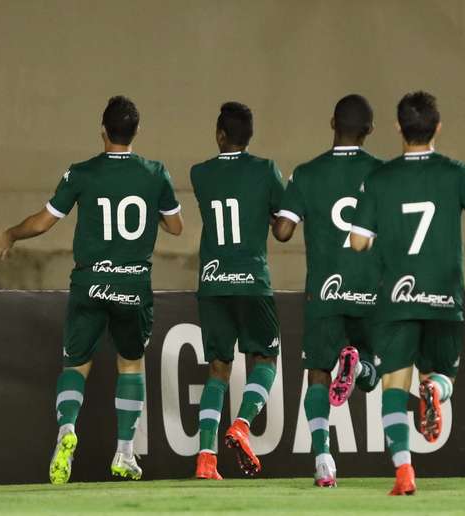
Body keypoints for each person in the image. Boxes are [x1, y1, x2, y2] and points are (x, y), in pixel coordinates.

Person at [0, 95, 183, 484]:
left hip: (90, 282)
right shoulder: (156, 173)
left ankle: (66, 433)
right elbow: (175, 227)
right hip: (132, 285)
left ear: (102, 130)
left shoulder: (82, 173)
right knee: (130, 362)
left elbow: (43, 222)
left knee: (76, 364)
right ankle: (124, 452)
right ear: (136, 132)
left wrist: (10, 234)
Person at [349, 91, 465, 495]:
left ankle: (403, 473)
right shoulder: (458, 173)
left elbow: (359, 242)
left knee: (394, 386)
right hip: (444, 297)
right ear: (438, 126)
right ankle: (434, 390)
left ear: (399, 127)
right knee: (443, 374)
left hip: (397, 297)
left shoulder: (380, 179)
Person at [273, 94, 383, 487]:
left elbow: (283, 231)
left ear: (331, 123)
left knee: (317, 371)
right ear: (369, 131)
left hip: (324, 290)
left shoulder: (307, 173)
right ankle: (362, 367)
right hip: (370, 287)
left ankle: (323, 458)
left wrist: (279, 202)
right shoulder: (384, 174)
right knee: (373, 367)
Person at [192, 102, 284, 480]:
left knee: (217, 369)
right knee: (265, 360)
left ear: (219, 134)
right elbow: (282, 227)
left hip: (212, 283)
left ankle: (205, 459)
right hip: (252, 281)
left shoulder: (199, 174)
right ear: (250, 137)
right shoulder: (265, 171)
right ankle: (242, 424)